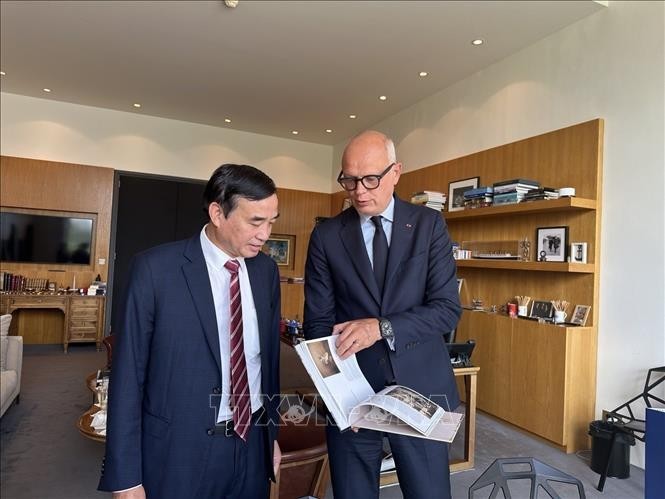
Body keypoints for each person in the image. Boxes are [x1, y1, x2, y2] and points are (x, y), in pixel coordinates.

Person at [99, 164, 282, 499]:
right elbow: (128, 376)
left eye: (271, 222)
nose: (265, 234)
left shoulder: (265, 272)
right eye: (255, 221)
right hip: (179, 454)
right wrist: (125, 476)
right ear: (217, 212)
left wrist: (271, 437)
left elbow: (265, 363)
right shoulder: (155, 270)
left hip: (252, 445)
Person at [304, 131, 462, 499]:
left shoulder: (428, 225)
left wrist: (382, 327)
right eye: (349, 179)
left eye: (371, 179)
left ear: (396, 172)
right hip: (352, 395)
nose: (359, 191)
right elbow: (317, 325)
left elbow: (446, 310)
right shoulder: (327, 236)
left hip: (421, 389)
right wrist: (339, 394)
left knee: (429, 493)